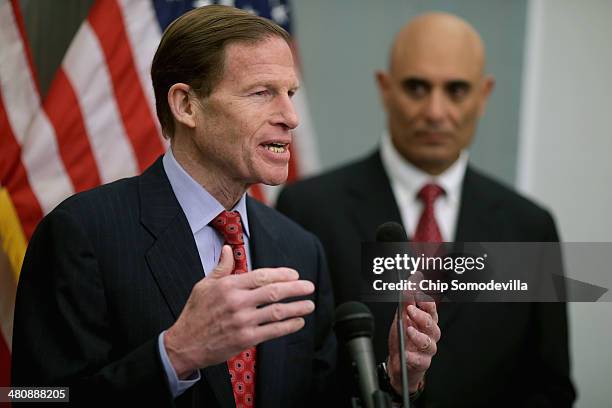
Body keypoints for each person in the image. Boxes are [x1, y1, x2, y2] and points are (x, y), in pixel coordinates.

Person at [12, 5, 439, 407]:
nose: (290, 116)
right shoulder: (82, 232)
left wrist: (396, 378)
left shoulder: (299, 248)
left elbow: (317, 396)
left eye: (290, 92)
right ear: (186, 105)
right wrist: (175, 354)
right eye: (261, 93)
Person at [277, 12, 575, 407]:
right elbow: (291, 374)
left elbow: (551, 387)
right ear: (385, 88)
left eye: (456, 90)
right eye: (417, 87)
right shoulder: (309, 210)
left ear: (483, 95)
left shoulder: (529, 226)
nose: (435, 112)